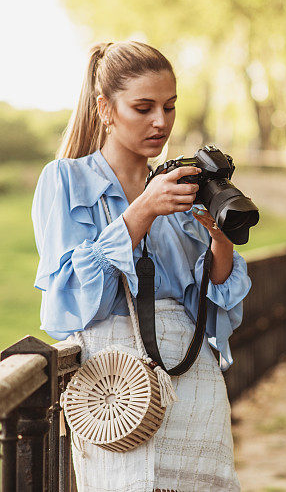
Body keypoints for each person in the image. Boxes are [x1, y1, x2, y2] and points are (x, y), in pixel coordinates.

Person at [30, 41, 250, 492]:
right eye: (143, 107)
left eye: (169, 107)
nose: (161, 122)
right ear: (105, 109)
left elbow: (207, 306)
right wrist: (140, 214)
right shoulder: (65, 180)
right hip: (114, 386)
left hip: (191, 376)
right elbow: (66, 300)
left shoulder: (182, 186)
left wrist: (220, 240)